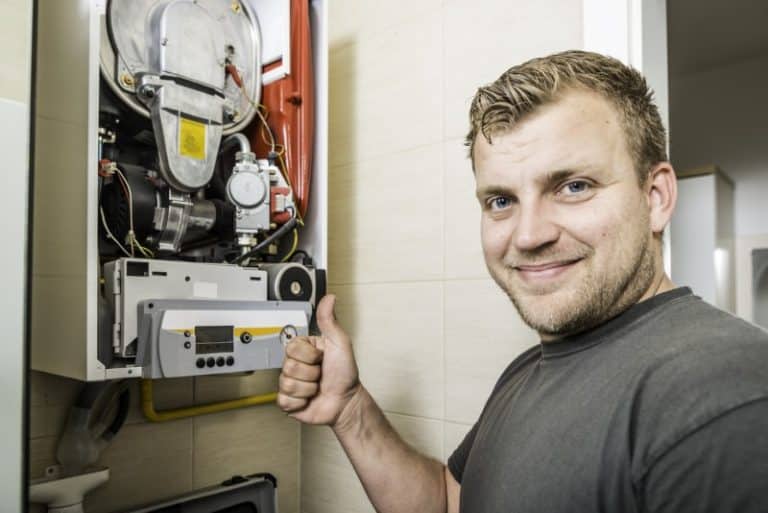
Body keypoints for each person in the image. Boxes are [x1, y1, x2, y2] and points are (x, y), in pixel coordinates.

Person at [277, 50, 768, 512]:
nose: (528, 235)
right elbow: (448, 502)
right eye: (501, 201)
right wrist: (349, 409)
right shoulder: (530, 367)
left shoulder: (722, 392)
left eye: (574, 187)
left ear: (656, 197)